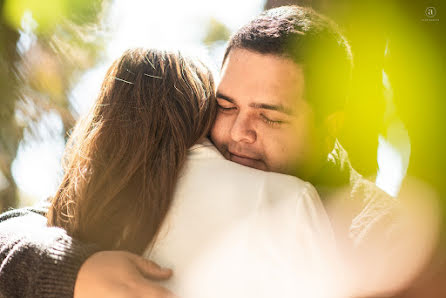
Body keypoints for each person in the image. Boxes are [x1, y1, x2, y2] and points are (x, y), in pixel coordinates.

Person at [1, 5, 398, 297]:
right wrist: (75, 270)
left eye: (271, 118)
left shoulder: (380, 230)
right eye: (225, 106)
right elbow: (12, 231)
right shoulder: (188, 155)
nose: (239, 134)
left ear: (330, 130)